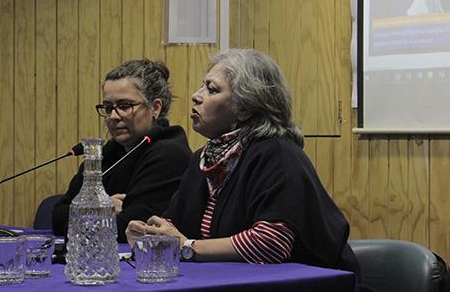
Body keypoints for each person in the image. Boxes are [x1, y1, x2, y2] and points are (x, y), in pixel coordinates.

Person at [126, 49, 360, 274]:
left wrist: (188, 247)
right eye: (202, 86)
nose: (196, 96)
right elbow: (175, 227)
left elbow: (270, 243)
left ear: (245, 108)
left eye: (211, 89)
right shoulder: (204, 158)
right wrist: (151, 235)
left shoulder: (276, 153)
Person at [52, 59, 192, 243]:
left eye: (125, 106)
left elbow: (129, 227)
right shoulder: (110, 151)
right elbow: (57, 215)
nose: (113, 117)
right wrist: (101, 208)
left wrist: (85, 212)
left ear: (155, 108)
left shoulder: (170, 153)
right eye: (108, 108)